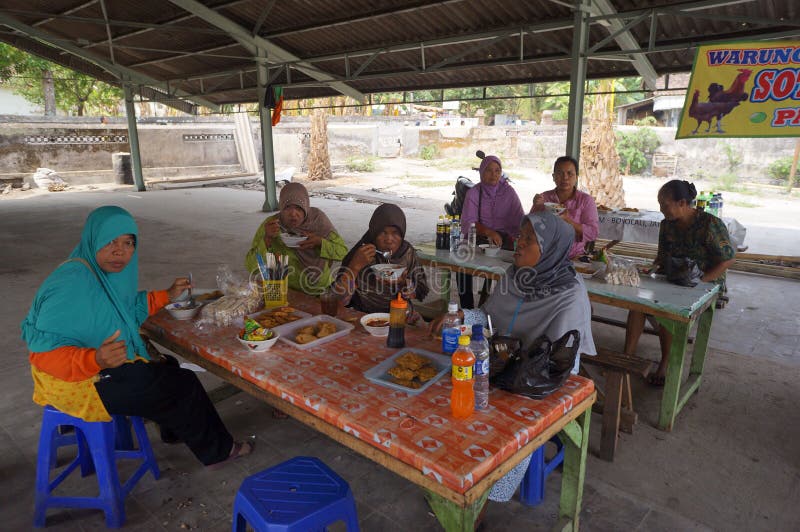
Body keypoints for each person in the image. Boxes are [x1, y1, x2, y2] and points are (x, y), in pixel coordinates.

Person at [21, 206, 252, 467]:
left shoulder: (99, 274)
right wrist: (94, 359)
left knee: (167, 365)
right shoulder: (71, 284)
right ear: (93, 238)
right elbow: (41, 354)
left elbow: (126, 309)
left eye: (128, 243)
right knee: (184, 383)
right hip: (74, 382)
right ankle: (220, 450)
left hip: (93, 367)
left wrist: (166, 296)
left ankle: (175, 430)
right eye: (111, 241)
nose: (120, 251)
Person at [429, 211, 596, 504]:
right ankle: (452, 478)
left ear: (551, 249)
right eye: (520, 236)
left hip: (541, 381)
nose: (518, 243)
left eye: (529, 240)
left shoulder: (569, 294)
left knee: (506, 438)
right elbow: (490, 319)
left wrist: (511, 366)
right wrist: (460, 315)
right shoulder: (515, 275)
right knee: (446, 402)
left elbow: (559, 362)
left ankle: (479, 502)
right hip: (501, 362)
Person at [625, 179, 735, 385]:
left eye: (665, 204)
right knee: (637, 306)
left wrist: (702, 280)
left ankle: (665, 365)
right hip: (673, 279)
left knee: (668, 311)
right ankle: (625, 360)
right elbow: (662, 256)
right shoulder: (667, 225)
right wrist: (652, 267)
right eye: (659, 204)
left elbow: (727, 259)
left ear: (683, 203)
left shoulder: (710, 225)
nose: (661, 209)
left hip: (705, 284)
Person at [245, 182, 347, 294]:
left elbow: (342, 252)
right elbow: (252, 267)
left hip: (320, 291)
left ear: (306, 206)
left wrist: (320, 242)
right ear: (281, 207)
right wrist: (267, 239)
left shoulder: (318, 220)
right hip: (285, 291)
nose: (293, 214)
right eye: (288, 208)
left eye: (298, 208)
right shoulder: (272, 225)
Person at [334, 203, 429, 317]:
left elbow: (421, 291)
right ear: (374, 233)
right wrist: (354, 267)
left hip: (399, 313)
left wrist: (404, 284)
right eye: (383, 232)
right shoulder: (361, 253)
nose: (389, 240)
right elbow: (335, 299)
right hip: (362, 315)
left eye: (395, 233)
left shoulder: (407, 252)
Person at [458, 154, 525, 308]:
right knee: (461, 268)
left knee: (510, 272)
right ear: (481, 172)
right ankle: (467, 309)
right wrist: (489, 232)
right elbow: (469, 221)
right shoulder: (474, 192)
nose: (493, 174)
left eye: (497, 170)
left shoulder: (509, 192)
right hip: (478, 239)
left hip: (505, 242)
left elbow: (519, 220)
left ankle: (499, 310)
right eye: (488, 170)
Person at [530, 155, 599, 259]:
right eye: (560, 173)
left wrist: (568, 221)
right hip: (545, 255)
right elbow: (529, 226)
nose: (565, 177)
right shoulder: (544, 197)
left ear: (576, 177)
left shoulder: (586, 200)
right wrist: (536, 206)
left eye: (570, 173)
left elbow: (593, 233)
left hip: (573, 256)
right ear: (553, 177)